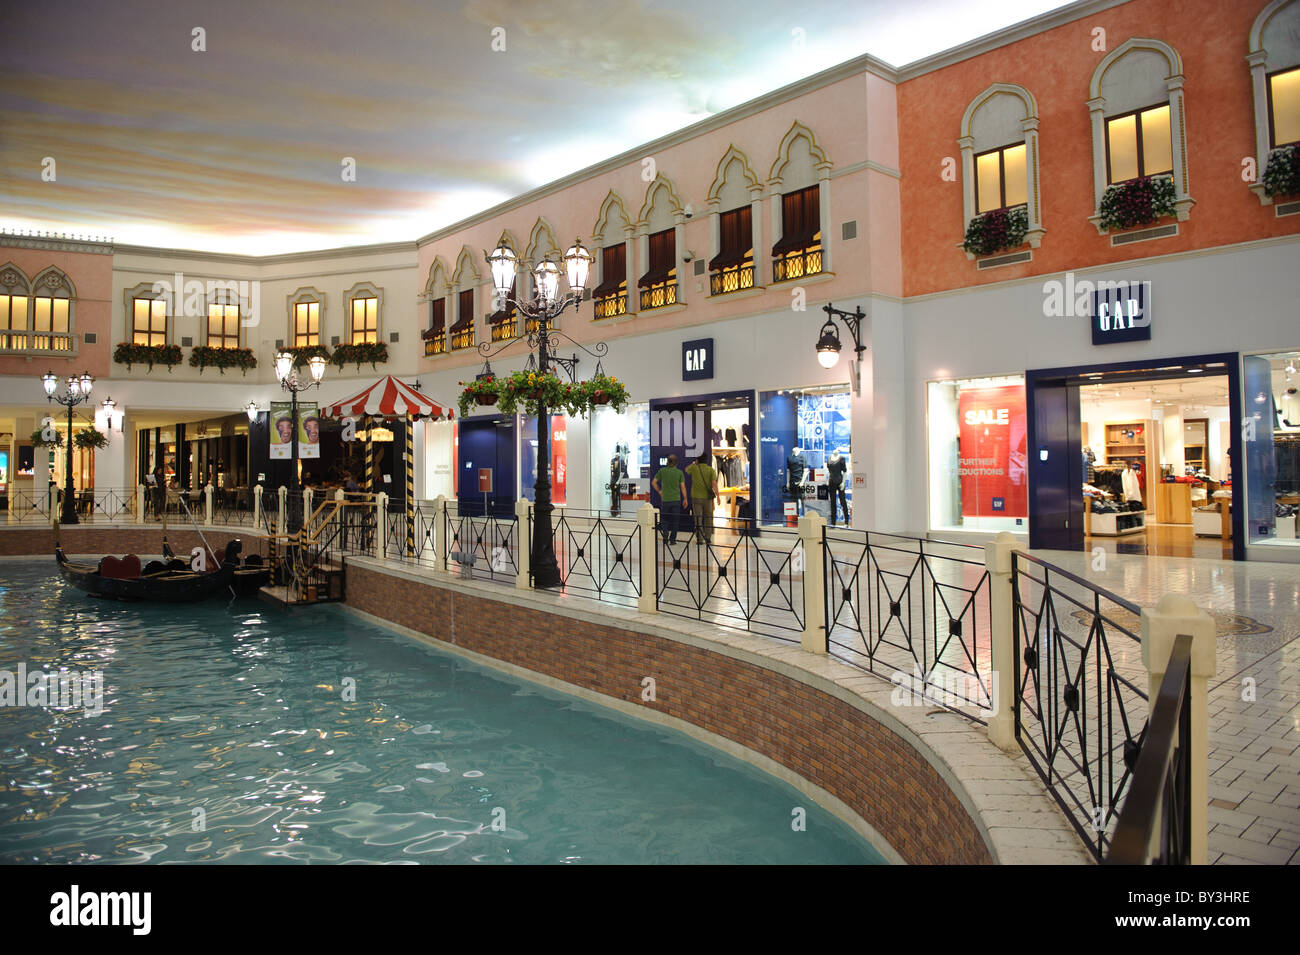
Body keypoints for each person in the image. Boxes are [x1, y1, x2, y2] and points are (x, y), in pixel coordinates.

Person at [685, 451, 719, 543]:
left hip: (696, 497)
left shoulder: (694, 468)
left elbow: (686, 469)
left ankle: (699, 539)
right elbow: (714, 484)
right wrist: (718, 496)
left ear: (698, 460)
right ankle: (708, 537)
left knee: (698, 518)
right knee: (708, 517)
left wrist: (694, 463)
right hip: (707, 498)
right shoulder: (710, 470)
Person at [651, 454, 685, 544]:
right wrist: (685, 498)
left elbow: (654, 482)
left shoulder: (662, 471)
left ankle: (665, 534)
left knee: (664, 519)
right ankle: (672, 540)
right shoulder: (679, 473)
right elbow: (683, 487)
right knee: (675, 520)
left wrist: (659, 491)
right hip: (676, 500)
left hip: (665, 499)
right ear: (676, 463)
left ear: (667, 462)